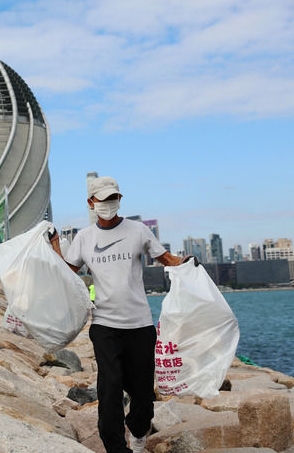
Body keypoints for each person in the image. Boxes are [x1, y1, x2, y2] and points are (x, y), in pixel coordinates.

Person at [49, 176, 194, 453]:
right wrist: (56, 246)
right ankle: (116, 448)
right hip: (105, 325)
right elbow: (68, 273)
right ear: (92, 203)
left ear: (120, 199)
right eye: (103, 200)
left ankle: (139, 432)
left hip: (140, 325)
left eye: (113, 198)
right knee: (109, 388)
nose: (109, 204)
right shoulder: (85, 238)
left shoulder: (138, 231)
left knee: (142, 394)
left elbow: (166, 259)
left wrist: (184, 263)